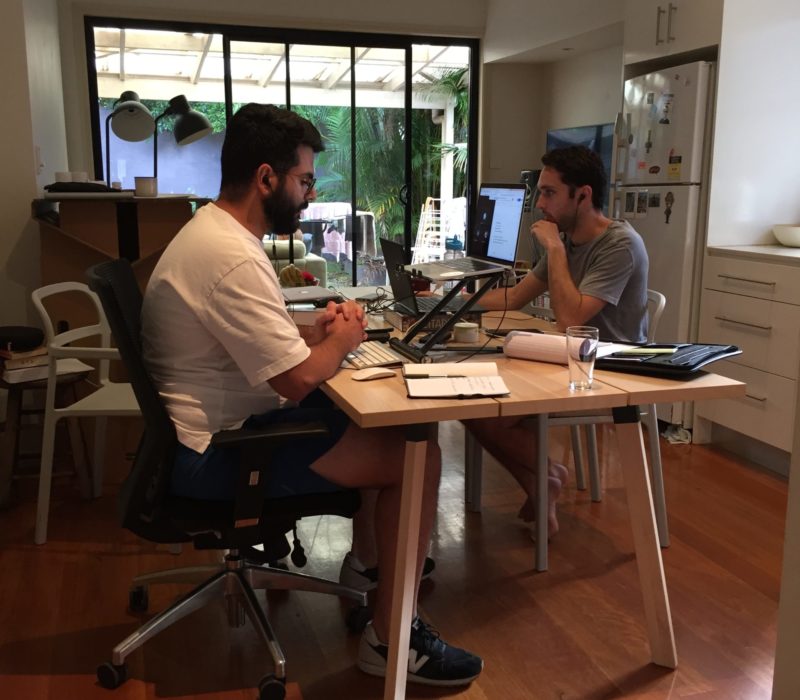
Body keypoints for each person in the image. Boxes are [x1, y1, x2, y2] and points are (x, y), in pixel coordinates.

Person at [141, 103, 482, 687]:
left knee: (390, 429)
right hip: (222, 456)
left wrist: (317, 333)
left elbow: (250, 342)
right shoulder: (230, 257)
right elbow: (297, 380)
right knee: (418, 461)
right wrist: (345, 339)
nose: (310, 191)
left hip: (218, 432)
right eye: (303, 179)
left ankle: (366, 574)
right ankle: (393, 639)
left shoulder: (213, 235)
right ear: (266, 178)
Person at [464, 145, 649, 535]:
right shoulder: (566, 240)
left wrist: (553, 248)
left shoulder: (619, 244)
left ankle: (548, 476)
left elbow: (570, 319)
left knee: (484, 407)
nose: (540, 203)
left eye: (549, 193)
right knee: (472, 402)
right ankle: (541, 481)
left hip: (609, 368)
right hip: (567, 359)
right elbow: (515, 297)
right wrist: (455, 303)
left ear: (582, 195)